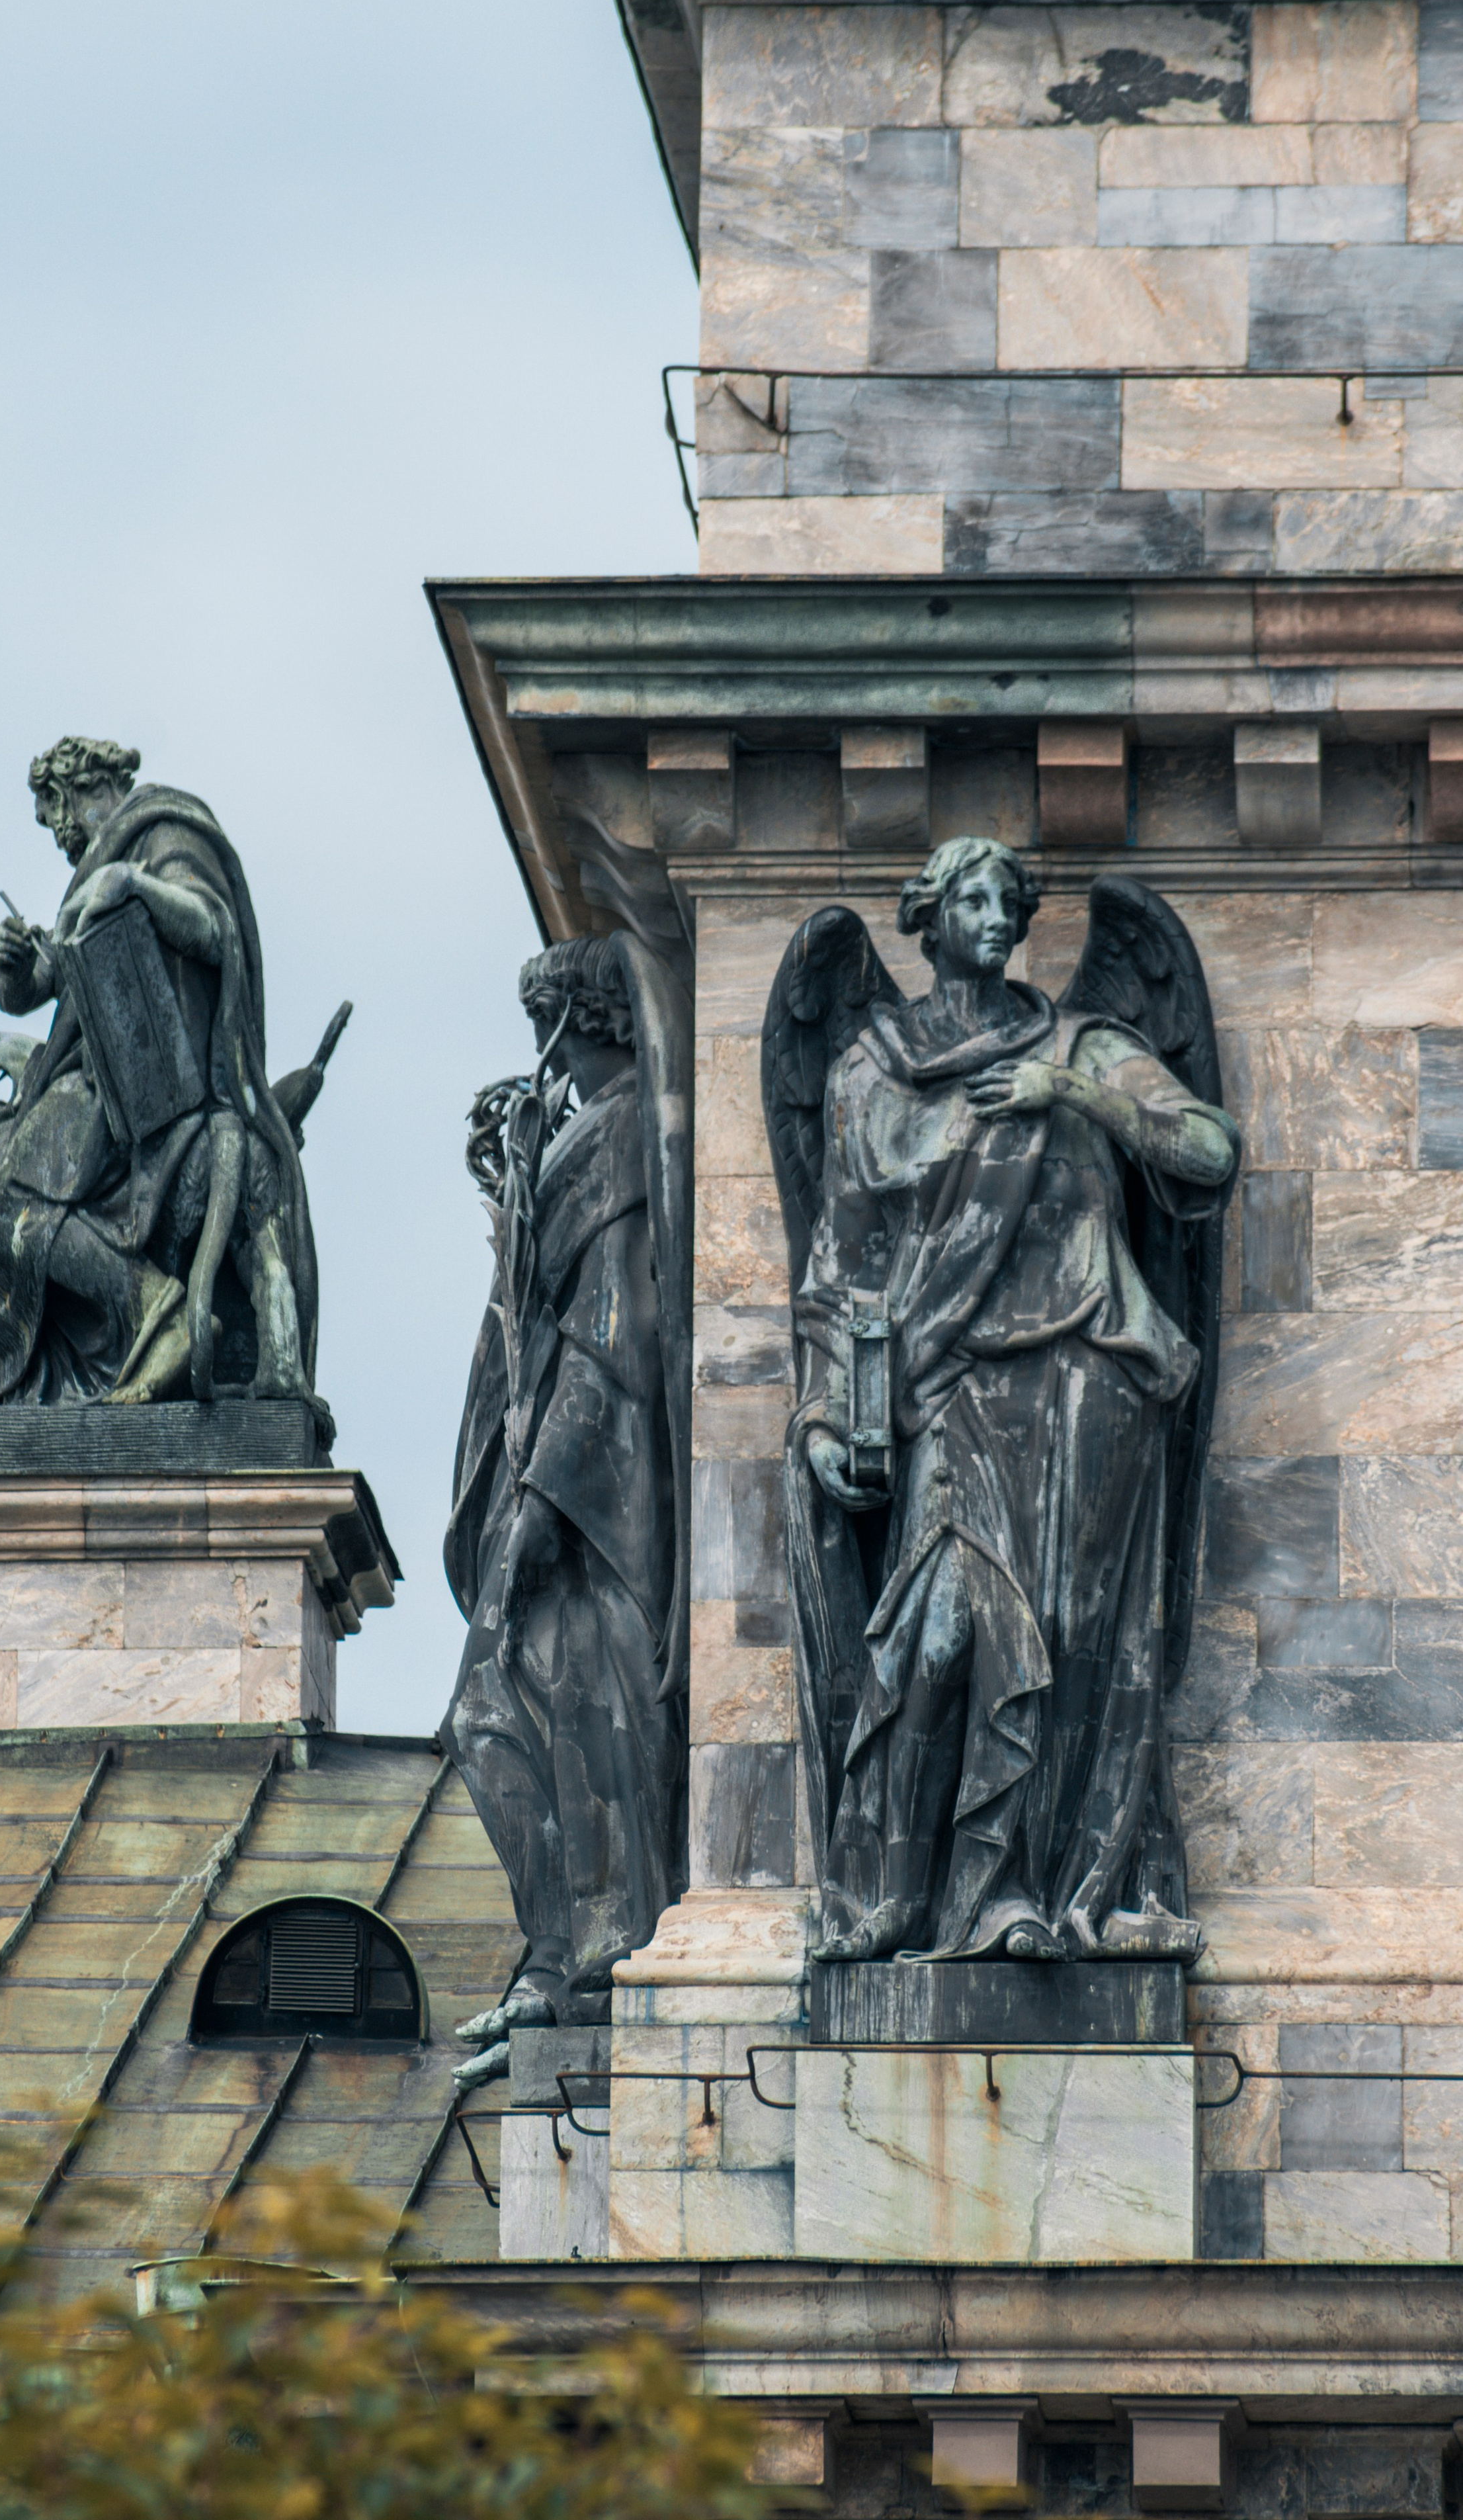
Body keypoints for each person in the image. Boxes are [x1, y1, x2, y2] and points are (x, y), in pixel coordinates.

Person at [776, 837, 1239, 1965]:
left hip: (1089, 1367)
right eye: (972, 900)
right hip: (952, 1385)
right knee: (938, 1634)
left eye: (1009, 900)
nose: (998, 917)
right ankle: (906, 1892)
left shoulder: (1084, 1043)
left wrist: (1070, 1092)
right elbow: (840, 1262)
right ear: (927, 921)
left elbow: (1209, 1150)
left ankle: (1031, 1895)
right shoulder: (866, 1074)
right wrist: (830, 1409)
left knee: (1074, 1638)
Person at [444, 934, 691, 2068]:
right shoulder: (583, 1136)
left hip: (596, 1503)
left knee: (572, 1719)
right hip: (564, 1483)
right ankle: (559, 1955)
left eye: (539, 1022)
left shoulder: (624, 1134)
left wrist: (544, 1504)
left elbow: (609, 1339)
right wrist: (513, 1193)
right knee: (501, 1718)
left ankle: (594, 1957)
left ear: (572, 1023)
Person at [0, 736, 321, 1420]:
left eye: (55, 817)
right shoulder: (95, 871)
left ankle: (155, 1309)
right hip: (88, 1078)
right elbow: (42, 984)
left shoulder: (165, 832)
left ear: (76, 793)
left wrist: (136, 886)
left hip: (142, 1087)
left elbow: (212, 926)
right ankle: (123, 1324)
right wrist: (13, 968)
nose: (59, 837)